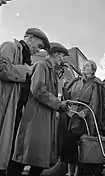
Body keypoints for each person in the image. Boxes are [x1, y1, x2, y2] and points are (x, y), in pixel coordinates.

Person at [6, 42, 69, 176]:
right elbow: (38, 89)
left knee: (38, 160)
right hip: (36, 118)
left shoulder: (51, 70)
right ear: (56, 55)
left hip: (44, 118)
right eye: (62, 56)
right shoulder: (42, 66)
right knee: (25, 156)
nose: (63, 60)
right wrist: (58, 104)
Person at [0, 27, 50, 176]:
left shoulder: (26, 57)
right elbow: (2, 69)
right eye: (39, 46)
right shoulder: (10, 46)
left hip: (15, 111)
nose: (38, 50)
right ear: (29, 38)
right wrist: (26, 71)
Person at [58, 60, 105, 176]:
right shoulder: (75, 82)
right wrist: (64, 88)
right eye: (84, 66)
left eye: (87, 66)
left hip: (85, 120)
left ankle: (77, 173)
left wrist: (85, 112)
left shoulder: (96, 84)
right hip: (71, 116)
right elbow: (68, 97)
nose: (84, 67)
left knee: (81, 146)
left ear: (92, 70)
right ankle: (70, 172)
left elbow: (96, 103)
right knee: (68, 144)